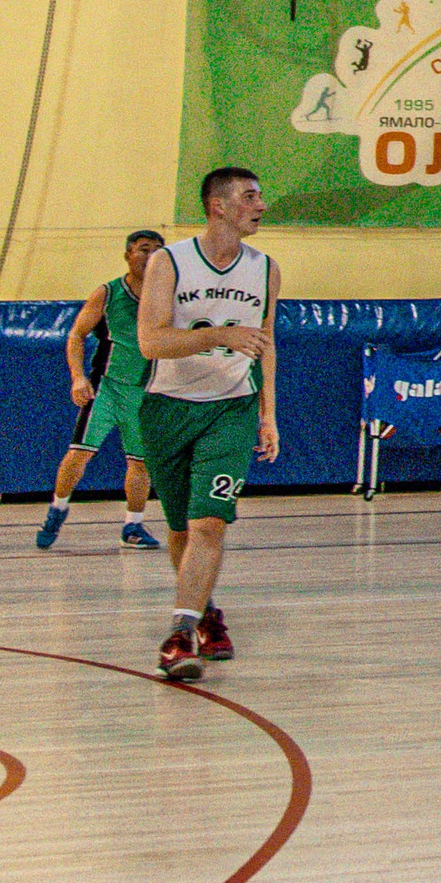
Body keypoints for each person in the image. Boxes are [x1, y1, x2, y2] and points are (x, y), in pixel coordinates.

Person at [141, 168, 281, 681]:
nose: (260, 205)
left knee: (209, 522)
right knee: (181, 526)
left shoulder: (265, 268)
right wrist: (219, 334)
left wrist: (268, 413)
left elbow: (265, 342)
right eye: (250, 196)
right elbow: (151, 342)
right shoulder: (169, 261)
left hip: (230, 408)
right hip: (168, 406)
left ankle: (179, 635)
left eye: (260, 196)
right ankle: (205, 611)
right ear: (218, 205)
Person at [38, 230, 166, 550]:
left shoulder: (168, 296)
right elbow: (76, 335)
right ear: (128, 255)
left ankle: (132, 526)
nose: (151, 256)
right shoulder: (108, 293)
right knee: (80, 452)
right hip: (106, 388)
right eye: (144, 249)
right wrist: (78, 378)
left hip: (145, 392)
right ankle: (58, 508)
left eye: (157, 250)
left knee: (140, 462)